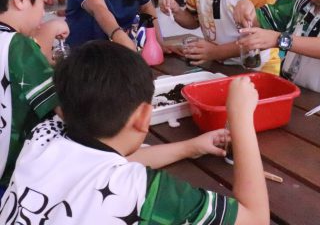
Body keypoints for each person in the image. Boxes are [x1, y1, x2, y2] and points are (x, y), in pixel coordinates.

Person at [0, 40, 270, 224]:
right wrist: (240, 118)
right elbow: (255, 219)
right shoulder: (140, 191)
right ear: (143, 117)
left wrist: (191, 147)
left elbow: (109, 163)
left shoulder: (43, 136)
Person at [0, 0, 68, 198]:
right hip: (11, 181)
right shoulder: (18, 46)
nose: (42, 14)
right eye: (41, 3)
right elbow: (63, 109)